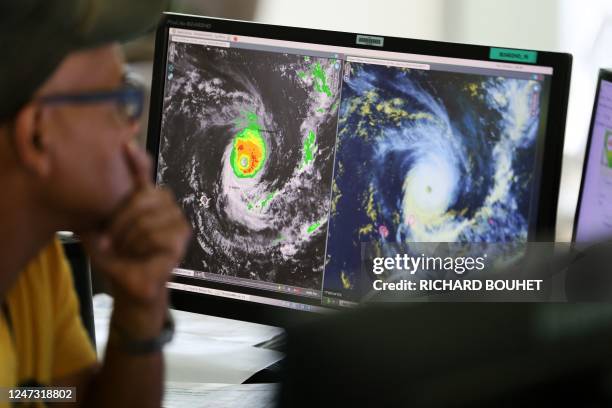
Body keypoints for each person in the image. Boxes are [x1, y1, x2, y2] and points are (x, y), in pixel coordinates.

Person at [0, 1, 191, 406]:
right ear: (36, 135)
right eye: (118, 100)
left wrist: (139, 309)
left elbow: (68, 397)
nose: (132, 127)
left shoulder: (32, 265)